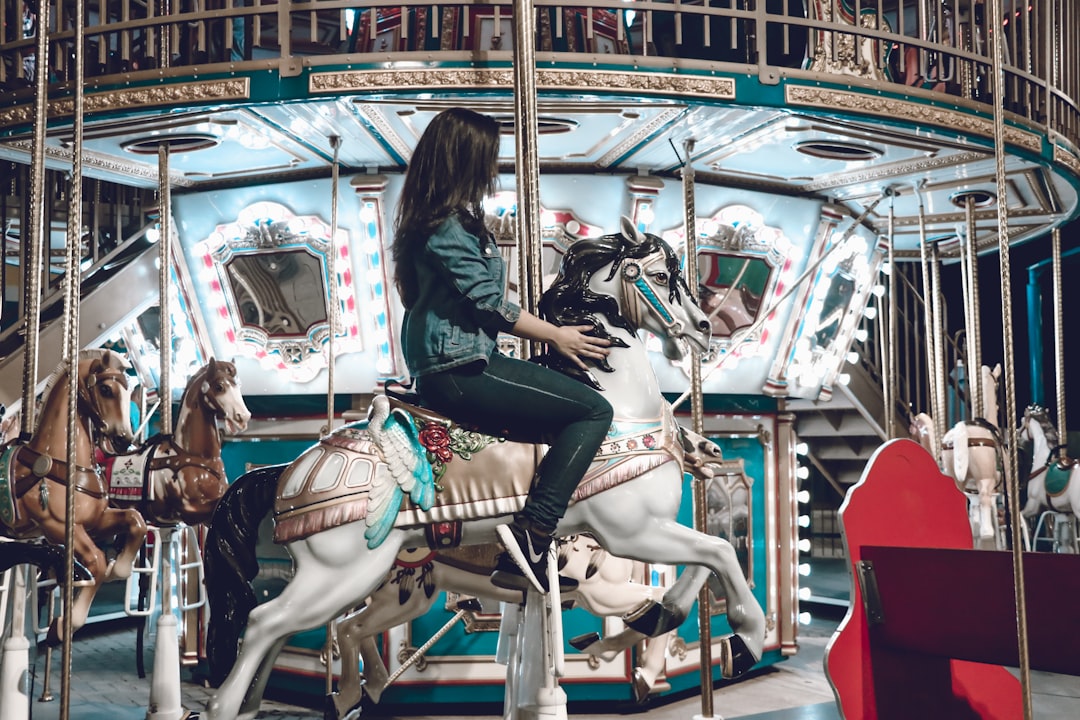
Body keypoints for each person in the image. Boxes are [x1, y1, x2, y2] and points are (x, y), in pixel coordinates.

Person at [392, 107, 614, 594]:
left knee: (561, 415)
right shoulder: (445, 225)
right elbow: (489, 304)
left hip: (457, 359)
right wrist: (558, 336)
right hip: (459, 367)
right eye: (488, 157)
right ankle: (532, 537)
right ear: (465, 158)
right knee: (595, 411)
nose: (494, 168)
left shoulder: (441, 222)